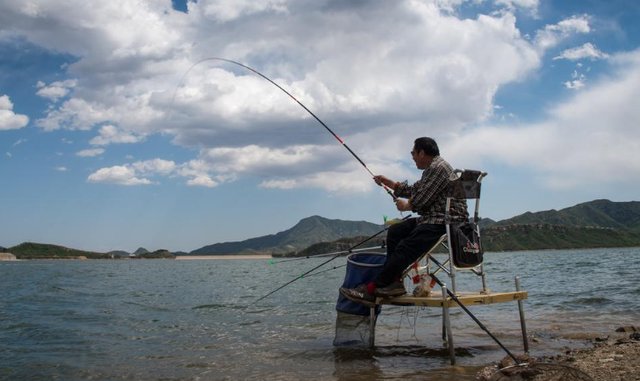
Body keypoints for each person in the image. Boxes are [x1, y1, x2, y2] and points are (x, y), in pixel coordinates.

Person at [339, 137, 468, 306]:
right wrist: (389, 183)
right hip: (435, 218)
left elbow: (421, 200)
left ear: (422, 152)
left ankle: (373, 288)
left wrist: (407, 206)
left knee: (405, 247)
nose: (412, 157)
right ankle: (394, 282)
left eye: (413, 153)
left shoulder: (438, 168)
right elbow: (415, 190)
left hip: (446, 221)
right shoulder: (434, 168)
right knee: (396, 231)